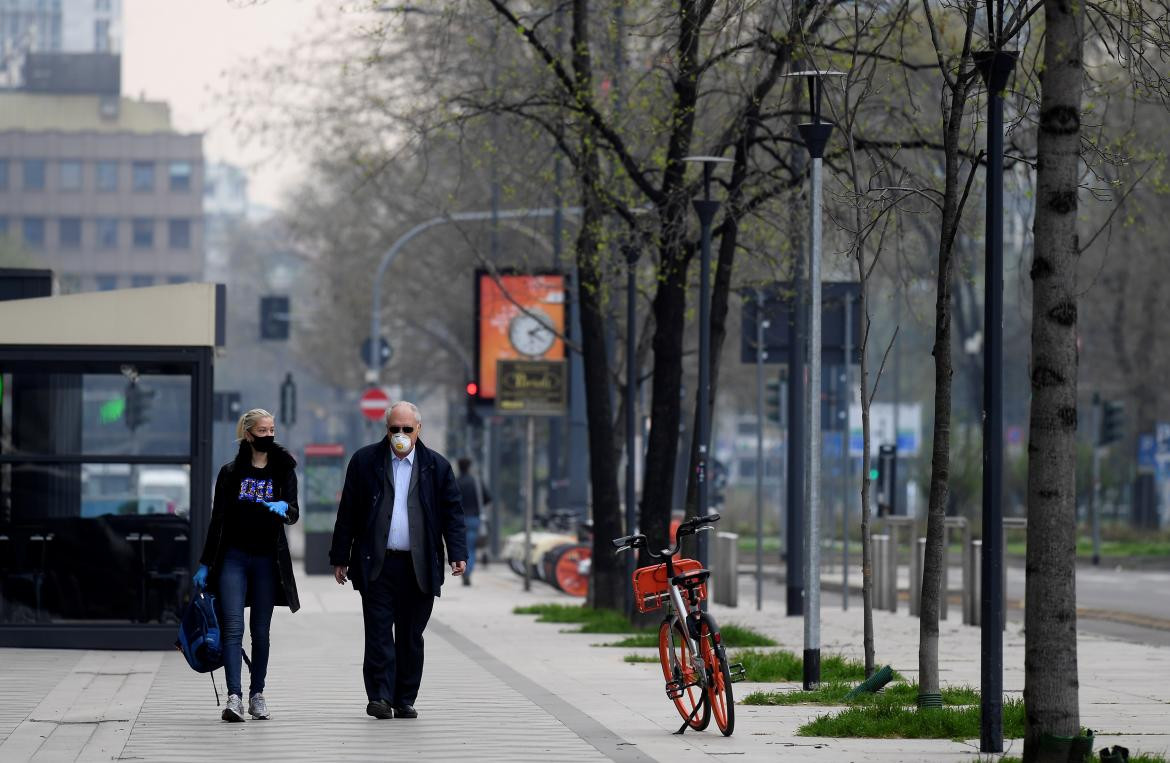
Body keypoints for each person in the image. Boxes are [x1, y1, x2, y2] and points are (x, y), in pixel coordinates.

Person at [329, 401, 467, 720]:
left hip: (419, 567)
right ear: (386, 430)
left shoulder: (437, 467)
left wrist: (458, 553)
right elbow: (348, 511)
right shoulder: (365, 461)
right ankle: (379, 696)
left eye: (407, 429)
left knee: (410, 636)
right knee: (378, 633)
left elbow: (453, 514)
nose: (401, 434)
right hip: (377, 564)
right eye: (395, 429)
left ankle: (404, 698)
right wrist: (340, 557)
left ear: (419, 430)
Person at [193, 408, 301, 723]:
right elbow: (218, 521)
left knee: (261, 631)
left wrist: (285, 509)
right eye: (263, 431)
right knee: (232, 628)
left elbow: (293, 513)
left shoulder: (284, 469)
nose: (269, 436)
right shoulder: (230, 473)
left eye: (272, 430)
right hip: (233, 557)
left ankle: (257, 694)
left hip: (268, 559)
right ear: (248, 433)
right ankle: (234, 697)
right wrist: (205, 564)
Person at [455, 457, 491, 586]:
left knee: (459, 547)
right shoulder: (476, 482)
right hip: (474, 518)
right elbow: (488, 498)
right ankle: (468, 571)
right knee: (471, 547)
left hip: (458, 519)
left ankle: (462, 568)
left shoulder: (455, 482)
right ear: (469, 467)